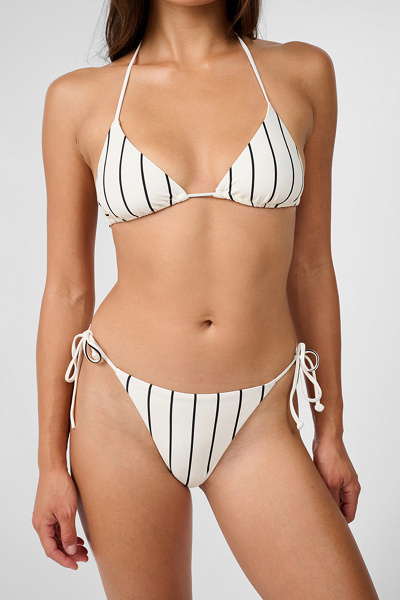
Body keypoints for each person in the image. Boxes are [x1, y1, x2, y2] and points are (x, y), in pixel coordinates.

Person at [32, 0, 380, 598]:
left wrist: (331, 431)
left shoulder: (304, 73)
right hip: (120, 416)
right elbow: (67, 288)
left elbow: (311, 267)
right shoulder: (78, 98)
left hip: (259, 420)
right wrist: (48, 464)